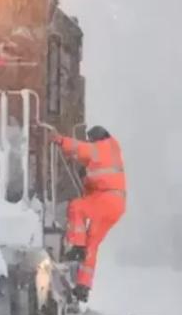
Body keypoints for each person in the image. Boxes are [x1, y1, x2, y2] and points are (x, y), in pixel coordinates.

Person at [52, 126, 126, 302]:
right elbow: (96, 176)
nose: (89, 142)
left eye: (90, 139)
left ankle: (77, 247)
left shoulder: (102, 147)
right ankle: (83, 286)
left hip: (106, 199)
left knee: (76, 207)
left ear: (96, 138)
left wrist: (61, 141)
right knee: (92, 244)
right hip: (116, 204)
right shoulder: (113, 151)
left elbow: (80, 149)